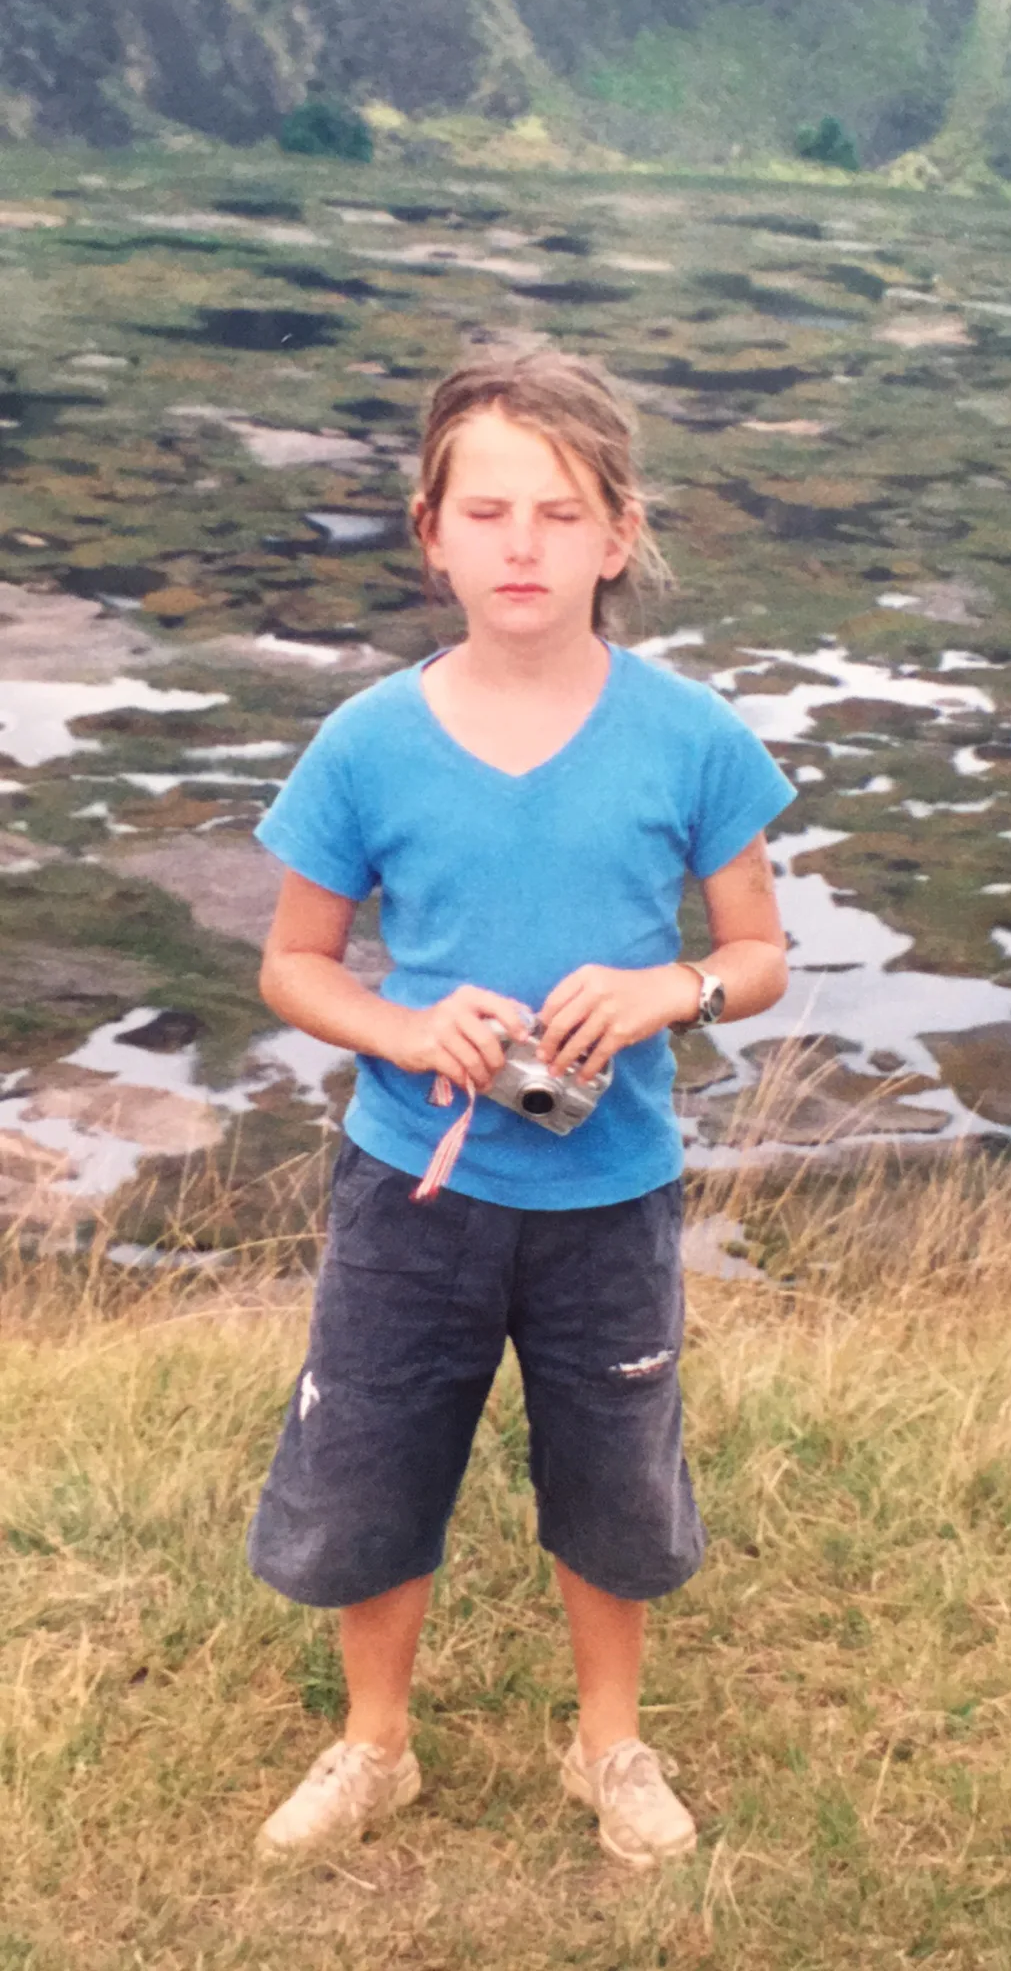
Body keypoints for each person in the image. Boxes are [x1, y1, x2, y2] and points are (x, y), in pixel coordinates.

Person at [247, 336, 796, 1870]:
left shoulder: (691, 736)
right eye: (486, 512)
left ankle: (609, 1747)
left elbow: (756, 956)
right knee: (374, 1457)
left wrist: (667, 989)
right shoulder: (364, 742)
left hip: (611, 1196)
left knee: (615, 1471)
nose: (522, 545)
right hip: (406, 1187)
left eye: (559, 513)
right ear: (431, 534)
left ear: (619, 534)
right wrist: (413, 1026)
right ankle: (374, 1748)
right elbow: (296, 970)